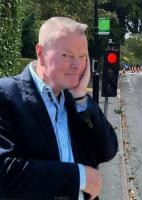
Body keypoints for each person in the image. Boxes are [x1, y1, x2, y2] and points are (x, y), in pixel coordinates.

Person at [0, 17, 118, 200]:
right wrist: (80, 176)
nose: (77, 65)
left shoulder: (74, 100)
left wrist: (81, 98)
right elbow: (5, 173)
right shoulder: (6, 95)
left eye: (82, 56)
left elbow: (108, 150)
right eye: (67, 55)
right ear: (40, 53)